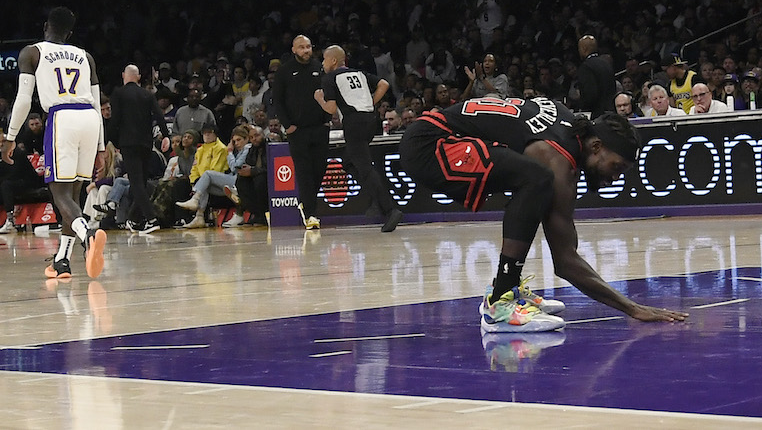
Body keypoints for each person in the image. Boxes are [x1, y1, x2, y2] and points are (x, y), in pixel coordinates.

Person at [398, 98, 688, 331]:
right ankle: (501, 301)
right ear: (597, 146)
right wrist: (632, 308)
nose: (615, 178)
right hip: (431, 145)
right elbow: (565, 260)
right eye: (616, 167)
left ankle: (506, 287)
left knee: (534, 182)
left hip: (436, 135)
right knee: (536, 180)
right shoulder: (556, 158)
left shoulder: (565, 120)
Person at [2, 7, 108, 279]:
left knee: (59, 194)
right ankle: (62, 260)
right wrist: (100, 146)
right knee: (73, 196)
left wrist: (11, 136)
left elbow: (24, 99)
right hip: (89, 119)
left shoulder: (32, 52)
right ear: (70, 33)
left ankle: (89, 235)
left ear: (46, 25)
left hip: (62, 117)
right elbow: (97, 103)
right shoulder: (86, 56)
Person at [315, 44, 403, 233]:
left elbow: (331, 109)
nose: (322, 64)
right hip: (371, 120)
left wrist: (319, 99)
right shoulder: (359, 73)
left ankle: (390, 209)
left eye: (324, 59)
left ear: (333, 61)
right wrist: (370, 102)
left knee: (365, 168)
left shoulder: (330, 78)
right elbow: (384, 84)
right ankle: (376, 198)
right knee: (348, 162)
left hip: (354, 123)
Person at [271, 34, 333, 229]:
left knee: (320, 170)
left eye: (308, 47)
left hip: (320, 128)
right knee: (305, 172)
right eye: (302, 47)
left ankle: (306, 204)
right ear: (294, 49)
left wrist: (327, 119)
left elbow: (330, 93)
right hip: (297, 131)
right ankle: (311, 215)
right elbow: (278, 101)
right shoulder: (284, 71)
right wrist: (288, 126)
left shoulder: (319, 68)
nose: (306, 50)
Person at [109, 64, 170, 233]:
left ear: (124, 75)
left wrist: (112, 141)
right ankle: (134, 219)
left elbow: (115, 120)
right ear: (138, 77)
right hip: (146, 143)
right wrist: (166, 135)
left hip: (128, 143)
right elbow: (159, 115)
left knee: (136, 183)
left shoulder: (118, 93)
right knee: (141, 183)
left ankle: (151, 219)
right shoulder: (147, 94)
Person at [574, 35, 617, 118]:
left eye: (579, 48)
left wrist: (581, 105)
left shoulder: (586, 66)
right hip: (611, 112)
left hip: (597, 115)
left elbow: (590, 95)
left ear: (584, 49)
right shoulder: (606, 63)